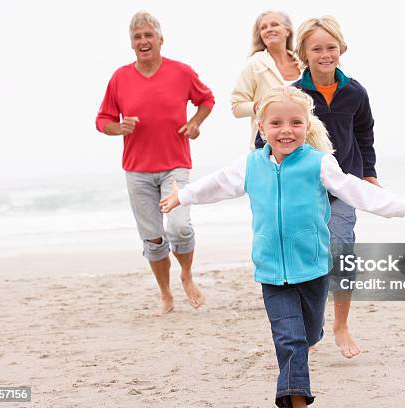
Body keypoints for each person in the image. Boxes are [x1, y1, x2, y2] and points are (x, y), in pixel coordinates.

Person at [159, 86, 405, 407]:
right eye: (276, 123)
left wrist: (400, 205)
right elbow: (216, 184)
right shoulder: (250, 165)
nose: (286, 130)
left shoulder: (318, 163)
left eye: (295, 123)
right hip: (271, 271)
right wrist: (183, 195)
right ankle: (295, 399)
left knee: (309, 332)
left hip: (313, 269)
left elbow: (354, 189)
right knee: (289, 339)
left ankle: (313, 337)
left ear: (306, 125)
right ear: (261, 128)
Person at [95, 11, 214, 315]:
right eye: (137, 37)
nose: (143, 41)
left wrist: (195, 123)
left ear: (160, 39)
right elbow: (102, 120)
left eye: (149, 35)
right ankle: (166, 294)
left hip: (175, 164)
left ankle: (186, 274)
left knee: (180, 227)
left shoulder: (181, 72)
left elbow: (207, 99)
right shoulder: (120, 78)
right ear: (132, 44)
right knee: (153, 238)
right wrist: (117, 127)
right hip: (137, 170)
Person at [293, 15, 384, 358]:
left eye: (331, 47)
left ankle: (341, 325)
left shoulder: (355, 92)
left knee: (342, 250)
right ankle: (310, 323)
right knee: (310, 256)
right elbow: (268, 138)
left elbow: (364, 135)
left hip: (344, 187)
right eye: (316, 48)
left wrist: (370, 174)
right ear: (303, 52)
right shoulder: (294, 94)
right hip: (304, 188)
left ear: (341, 48)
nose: (325, 54)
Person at [231, 10, 301, 148]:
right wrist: (260, 105)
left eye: (274, 24)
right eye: (263, 27)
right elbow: (236, 107)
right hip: (267, 146)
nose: (269, 29)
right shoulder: (254, 63)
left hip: (303, 144)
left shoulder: (303, 63)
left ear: (287, 31)